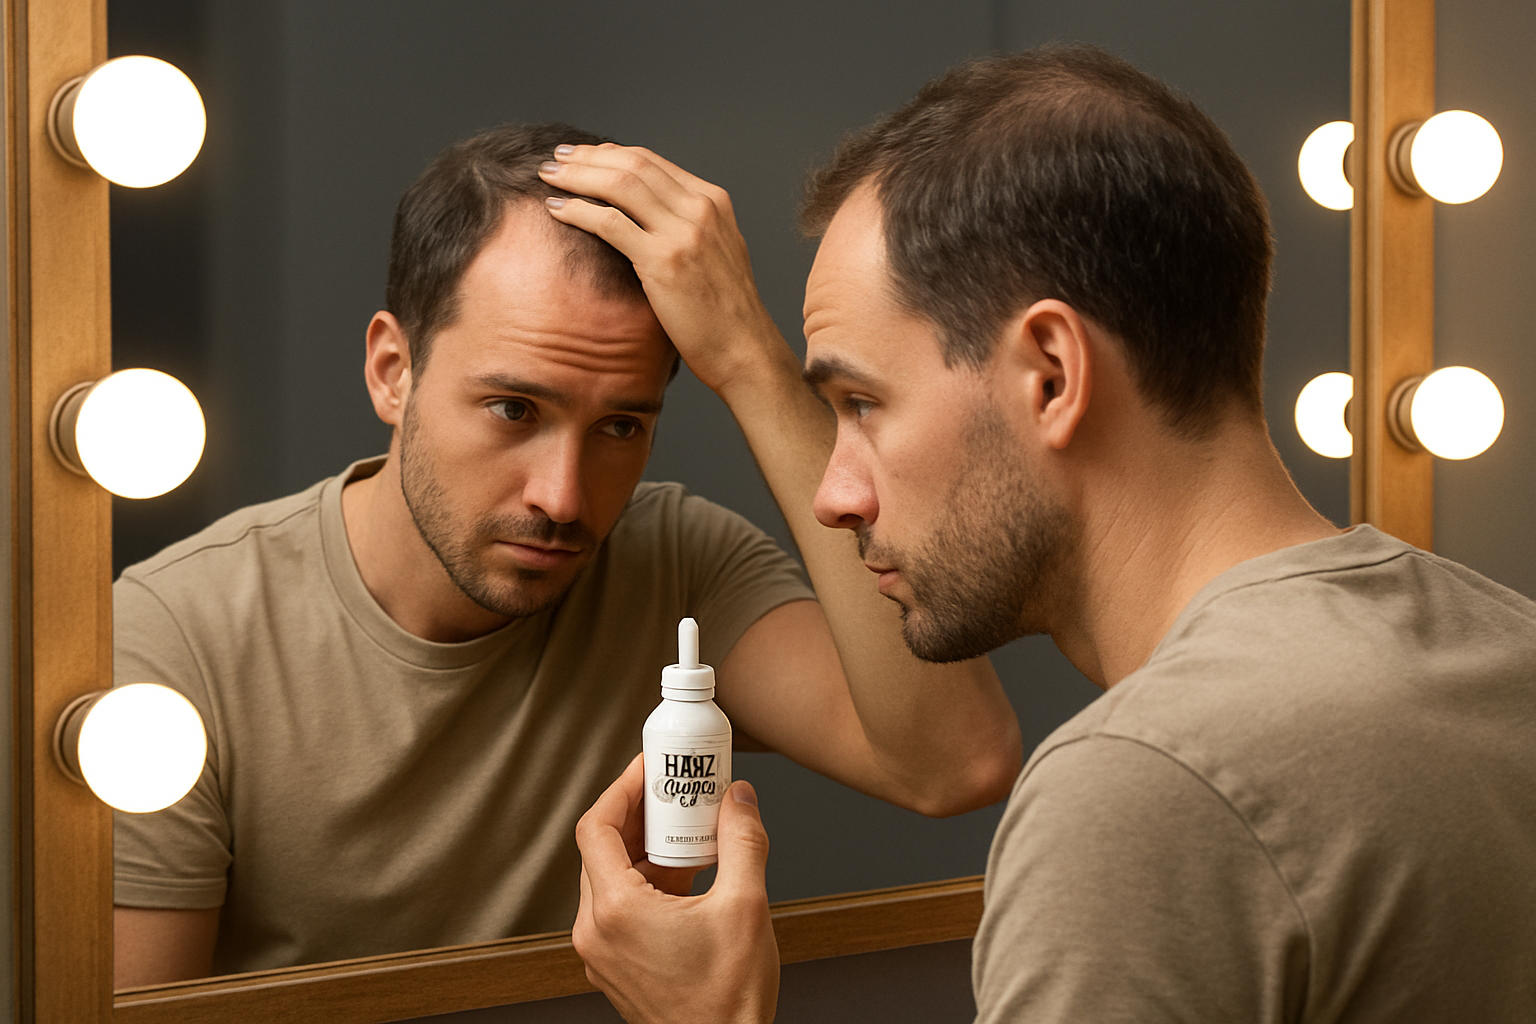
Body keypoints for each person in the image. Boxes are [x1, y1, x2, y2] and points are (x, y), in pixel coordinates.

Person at [559, 46, 1536, 1023]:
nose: (836, 494)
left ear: (1053, 375)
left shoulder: (1145, 790)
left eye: (863, 401)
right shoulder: (1507, 649)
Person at [110, 122, 1023, 986]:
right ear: (394, 371)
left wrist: (746, 354)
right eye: (515, 409)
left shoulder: (674, 566)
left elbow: (956, 764)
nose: (564, 496)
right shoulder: (175, 640)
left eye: (621, 425)